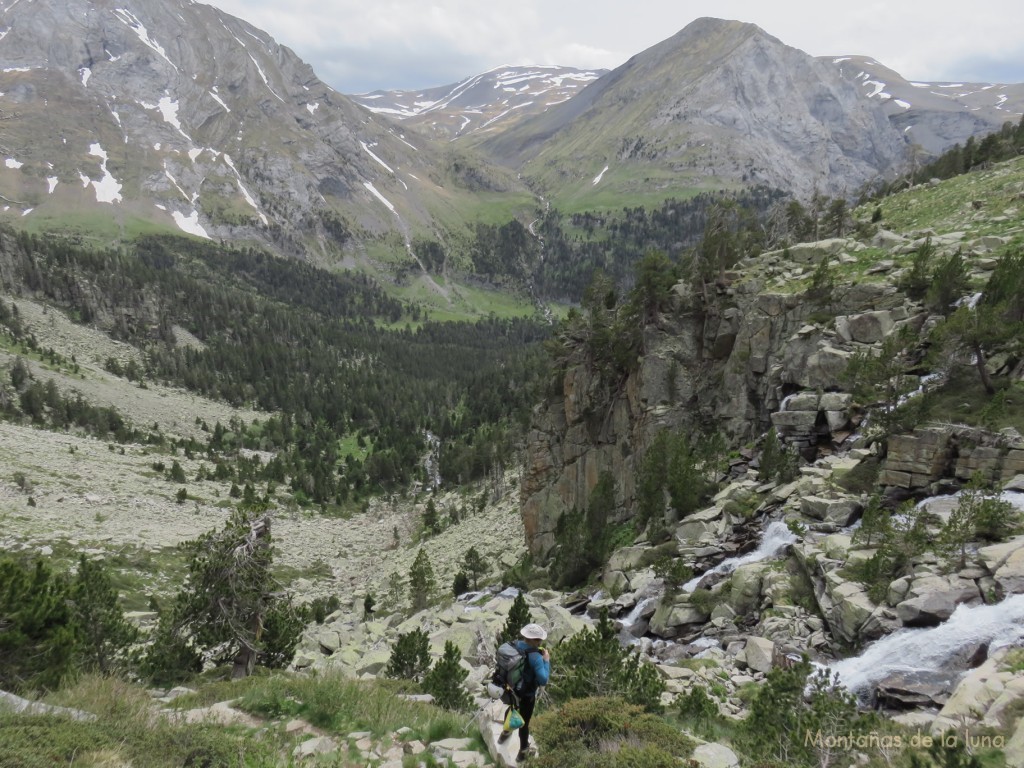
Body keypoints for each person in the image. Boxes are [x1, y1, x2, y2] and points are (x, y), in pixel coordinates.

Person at [498, 623, 550, 762]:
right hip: (527, 694)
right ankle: (523, 751)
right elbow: (543, 679)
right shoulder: (536, 657)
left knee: (511, 709)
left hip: (511, 688)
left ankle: (505, 733)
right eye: (538, 639)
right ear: (533, 640)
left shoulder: (515, 645)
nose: (540, 642)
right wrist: (546, 661)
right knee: (524, 723)